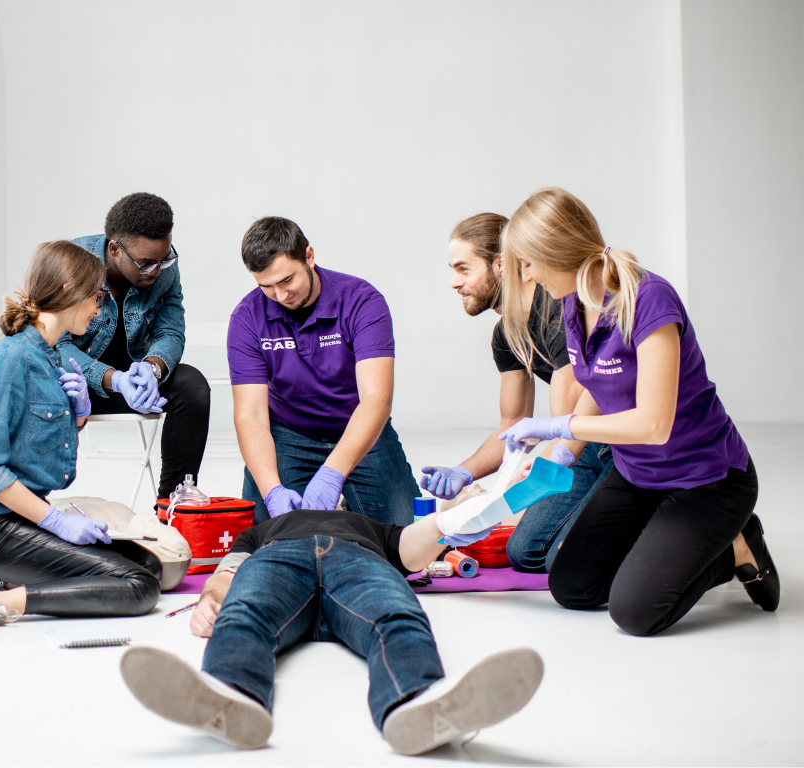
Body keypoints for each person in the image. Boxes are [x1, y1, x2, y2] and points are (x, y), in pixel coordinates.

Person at [497, 187, 778, 636]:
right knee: (571, 587)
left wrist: (559, 423)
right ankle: (676, 543)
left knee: (636, 613)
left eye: (526, 263)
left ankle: (736, 549)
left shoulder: (648, 300)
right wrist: (563, 452)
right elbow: (596, 384)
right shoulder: (572, 304)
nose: (526, 275)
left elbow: (653, 423)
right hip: (638, 475)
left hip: (707, 480)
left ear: (553, 251)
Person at [120, 507, 544, 754]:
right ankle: (231, 696)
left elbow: (414, 549)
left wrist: (454, 518)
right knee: (242, 612)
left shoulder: (371, 525)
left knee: (397, 615)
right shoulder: (259, 530)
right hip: (278, 557)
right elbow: (226, 575)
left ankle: (417, 701)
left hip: (358, 558)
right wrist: (212, 600)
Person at [0, 241, 162, 640]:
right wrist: (57, 523)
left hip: (23, 516)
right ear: (67, 291)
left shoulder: (53, 356)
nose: (98, 310)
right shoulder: (10, 358)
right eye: (96, 297)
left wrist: (79, 415)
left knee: (152, 565)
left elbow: (39, 448)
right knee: (139, 587)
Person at [420, 213, 611, 573]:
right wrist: (463, 473)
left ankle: (690, 528)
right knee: (526, 552)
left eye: (463, 269)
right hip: (579, 445)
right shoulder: (505, 336)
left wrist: (506, 500)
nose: (454, 283)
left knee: (568, 558)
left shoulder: (556, 312)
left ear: (501, 265)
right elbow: (514, 422)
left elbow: (569, 429)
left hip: (608, 440)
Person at [227, 216, 419, 526]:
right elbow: (250, 415)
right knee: (271, 538)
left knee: (406, 536)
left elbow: (376, 399)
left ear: (309, 257)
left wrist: (332, 474)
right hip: (289, 435)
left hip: (360, 430)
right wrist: (272, 489)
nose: (280, 295)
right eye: (267, 286)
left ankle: (344, 509)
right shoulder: (247, 318)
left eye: (287, 280)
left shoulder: (361, 301)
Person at [59, 193, 211, 502]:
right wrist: (113, 379)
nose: (155, 271)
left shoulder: (165, 270)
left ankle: (173, 508)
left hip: (140, 383)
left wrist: (153, 368)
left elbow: (170, 329)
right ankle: (36, 506)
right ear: (114, 248)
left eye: (164, 258)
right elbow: (55, 345)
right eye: (145, 263)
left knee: (192, 387)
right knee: (45, 385)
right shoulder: (73, 262)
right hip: (79, 386)